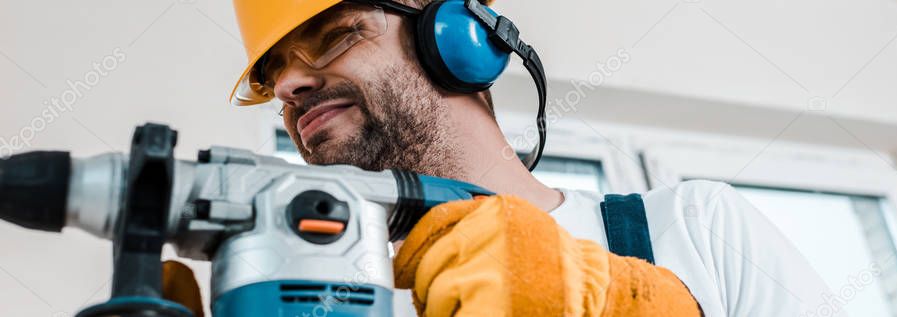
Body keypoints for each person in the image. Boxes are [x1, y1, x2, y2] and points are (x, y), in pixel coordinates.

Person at [184, 0, 841, 315]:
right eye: (277, 75)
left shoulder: (696, 229)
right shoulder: (339, 304)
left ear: (459, 40)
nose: (293, 86)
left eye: (333, 37)